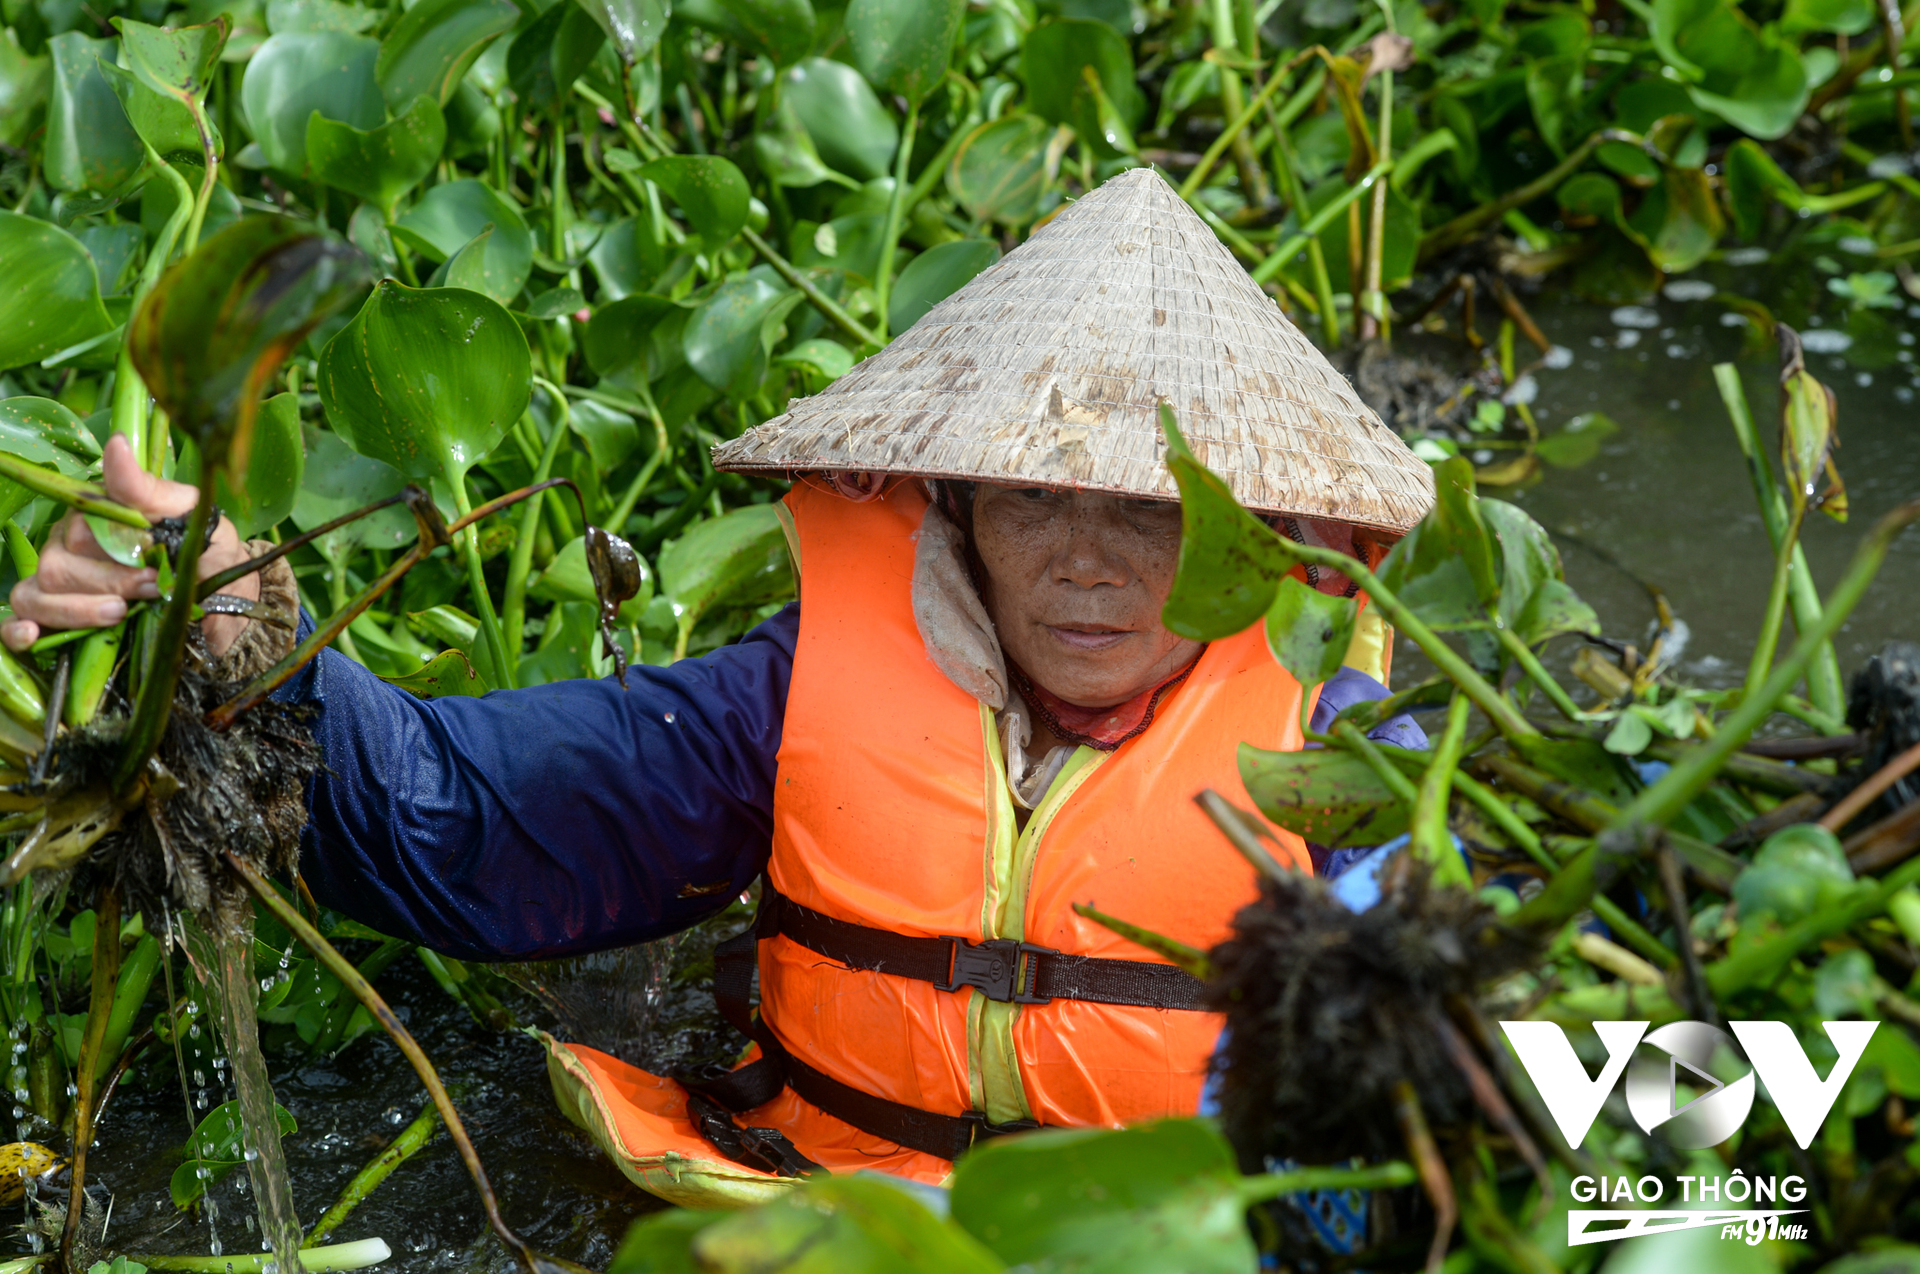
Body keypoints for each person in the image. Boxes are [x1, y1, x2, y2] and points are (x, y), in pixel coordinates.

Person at [2, 169, 1434, 1205]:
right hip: (827, 1216)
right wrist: (246, 625)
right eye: (1035, 500)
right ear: (953, 499)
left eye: (1151, 510)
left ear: (1255, 528)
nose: (1087, 564)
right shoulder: (793, 694)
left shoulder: (1345, 751)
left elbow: (1534, 1081)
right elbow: (465, 826)